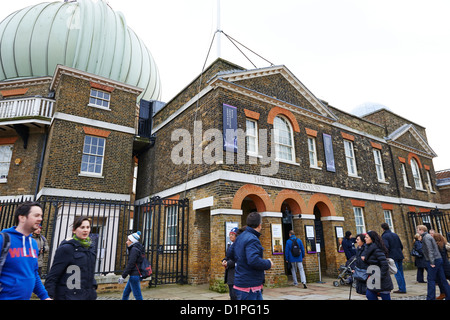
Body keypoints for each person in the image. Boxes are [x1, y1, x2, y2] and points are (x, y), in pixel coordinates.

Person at [0, 201, 50, 300]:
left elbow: (34, 273)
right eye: (36, 215)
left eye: (41, 216)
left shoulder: (33, 244)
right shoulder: (3, 240)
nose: (40, 219)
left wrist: (45, 297)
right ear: (22, 217)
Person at [45, 216, 97, 300]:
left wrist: (93, 286)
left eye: (88, 227)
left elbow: (89, 271)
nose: (85, 230)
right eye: (82, 227)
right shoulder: (66, 248)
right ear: (74, 230)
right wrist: (48, 296)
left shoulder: (90, 248)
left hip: (87, 296)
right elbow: (53, 275)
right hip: (69, 296)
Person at [229, 212, 272, 300]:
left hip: (243, 283)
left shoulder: (240, 236)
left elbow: (230, 253)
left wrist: (241, 260)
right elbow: (253, 260)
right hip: (249, 287)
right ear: (259, 225)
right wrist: (268, 263)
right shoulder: (252, 239)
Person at [416, 225, 450, 300]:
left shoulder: (426, 237)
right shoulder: (428, 237)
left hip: (434, 260)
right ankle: (448, 296)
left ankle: (430, 298)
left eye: (418, 230)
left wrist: (432, 262)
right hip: (438, 259)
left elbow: (430, 250)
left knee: (431, 279)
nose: (417, 231)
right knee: (442, 279)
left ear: (422, 230)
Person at [362, 230, 393, 300]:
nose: (365, 238)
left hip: (382, 279)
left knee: (385, 297)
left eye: (367, 237)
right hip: (373, 278)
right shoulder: (369, 248)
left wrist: (378, 277)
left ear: (372, 238)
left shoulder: (377, 250)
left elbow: (384, 265)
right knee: (369, 295)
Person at [118, 231, 144, 300]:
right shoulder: (137, 249)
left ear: (132, 241)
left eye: (128, 240)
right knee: (125, 293)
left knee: (138, 296)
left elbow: (130, 264)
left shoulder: (134, 250)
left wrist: (123, 276)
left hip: (134, 276)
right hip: (134, 275)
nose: (127, 242)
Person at [381, 223, 406, 293]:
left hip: (392, 256)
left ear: (382, 228)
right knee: (400, 272)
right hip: (399, 255)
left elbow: (386, 247)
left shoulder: (385, 236)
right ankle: (403, 288)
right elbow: (401, 246)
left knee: (397, 273)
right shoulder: (395, 235)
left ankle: (402, 289)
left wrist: (386, 256)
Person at [222, 227, 240, 300]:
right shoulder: (230, 245)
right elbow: (228, 257)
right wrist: (224, 260)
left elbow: (236, 259)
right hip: (229, 273)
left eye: (233, 234)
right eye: (230, 234)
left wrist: (228, 264)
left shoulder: (239, 246)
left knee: (235, 295)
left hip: (235, 273)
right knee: (231, 294)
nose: (231, 236)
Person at [432, 232, 450, 300]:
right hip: (446, 264)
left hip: (442, 266)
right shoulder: (443, 244)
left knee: (442, 281)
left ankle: (445, 294)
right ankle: (443, 293)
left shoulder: (437, 246)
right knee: (442, 281)